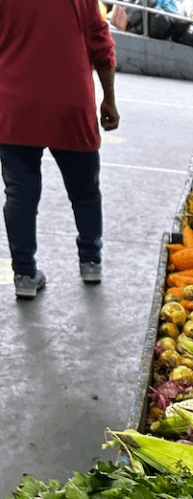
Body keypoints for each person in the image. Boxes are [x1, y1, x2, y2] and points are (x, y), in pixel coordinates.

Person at [0, 0, 120, 299]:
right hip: (71, 106)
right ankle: (91, 261)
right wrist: (109, 99)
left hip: (14, 106)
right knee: (85, 191)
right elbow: (101, 43)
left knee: (20, 194)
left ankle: (25, 274)